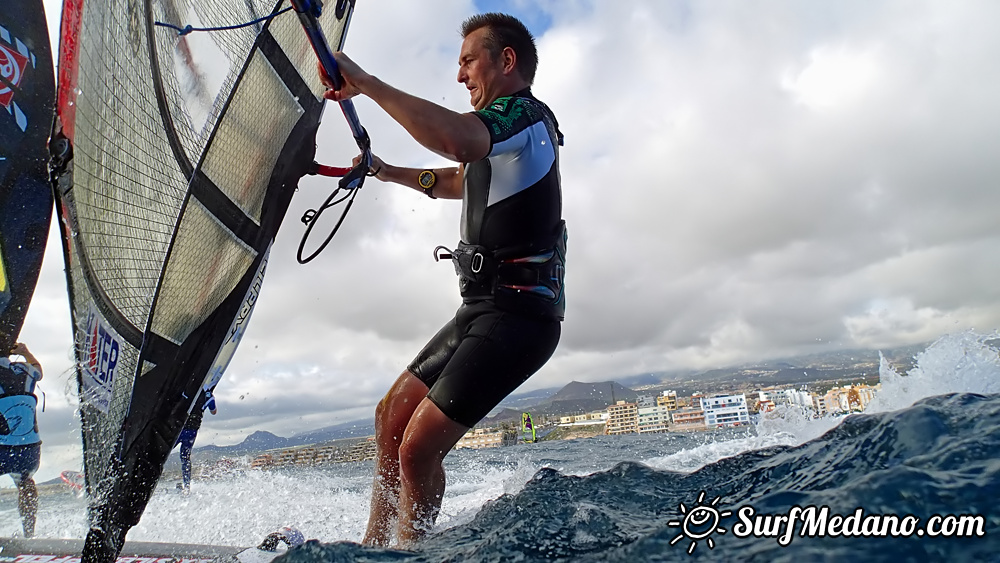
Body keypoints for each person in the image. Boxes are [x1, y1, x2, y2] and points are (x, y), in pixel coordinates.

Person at [320, 13, 566, 547]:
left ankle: (410, 553)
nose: (460, 76)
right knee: (389, 419)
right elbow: (458, 179)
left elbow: (457, 142)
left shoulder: (521, 116)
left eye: (467, 61)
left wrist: (364, 82)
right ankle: (373, 548)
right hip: (481, 311)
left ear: (506, 61)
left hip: (520, 317)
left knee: (417, 447)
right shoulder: (504, 139)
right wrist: (387, 172)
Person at [0, 342, 43, 537]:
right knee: (26, 482)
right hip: (31, 451)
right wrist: (25, 352)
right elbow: (39, 370)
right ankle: (29, 537)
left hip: (2, 450)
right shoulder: (26, 370)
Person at [175, 388, 217, 492]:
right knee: (185, 457)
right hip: (192, 432)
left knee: (163, 452)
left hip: (179, 429)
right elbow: (214, 412)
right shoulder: (208, 396)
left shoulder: (187, 388)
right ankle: (187, 486)